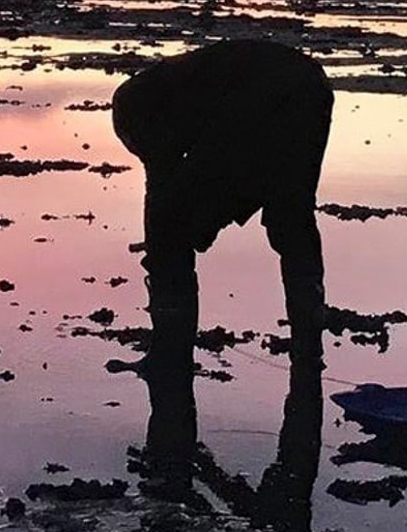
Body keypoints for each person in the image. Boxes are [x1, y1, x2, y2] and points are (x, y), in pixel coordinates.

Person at [111, 40, 334, 376]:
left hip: (260, 99)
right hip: (311, 86)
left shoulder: (139, 107)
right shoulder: (167, 88)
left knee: (173, 232)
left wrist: (163, 242)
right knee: (292, 219)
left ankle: (170, 357)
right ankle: (308, 353)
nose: (147, 159)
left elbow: (162, 187)